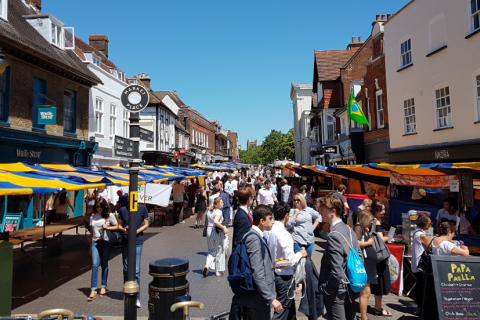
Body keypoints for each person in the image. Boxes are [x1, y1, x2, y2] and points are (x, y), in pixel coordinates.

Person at [233, 205, 283, 319]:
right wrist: (271, 298)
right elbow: (257, 272)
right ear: (262, 221)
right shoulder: (254, 238)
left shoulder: (254, 235)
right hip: (257, 301)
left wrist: (272, 265)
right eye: (270, 218)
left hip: (257, 300)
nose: (273, 222)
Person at [317, 195, 362, 320]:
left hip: (338, 290)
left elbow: (336, 270)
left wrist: (327, 289)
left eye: (322, 209)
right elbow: (359, 257)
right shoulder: (349, 229)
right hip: (350, 285)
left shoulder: (334, 235)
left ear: (333, 211)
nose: (319, 212)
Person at [267, 201, 308, 320]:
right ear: (286, 215)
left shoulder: (270, 231)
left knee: (289, 311)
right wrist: (300, 254)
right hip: (284, 276)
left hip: (274, 273)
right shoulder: (285, 234)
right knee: (281, 311)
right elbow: (288, 261)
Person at [229, 187, 255, 320]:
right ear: (249, 199)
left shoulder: (242, 213)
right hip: (241, 259)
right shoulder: (242, 216)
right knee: (240, 295)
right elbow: (240, 240)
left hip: (240, 257)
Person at [118, 200, 149, 308]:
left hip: (138, 241)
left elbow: (146, 224)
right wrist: (124, 229)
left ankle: (137, 297)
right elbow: (119, 226)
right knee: (126, 268)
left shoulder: (142, 209)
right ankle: (126, 292)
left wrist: (136, 231)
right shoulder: (123, 210)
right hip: (126, 241)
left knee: (136, 270)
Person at [88, 199, 118, 301]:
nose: (99, 209)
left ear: (104, 207)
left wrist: (107, 227)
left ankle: (103, 286)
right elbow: (92, 232)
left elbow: (117, 226)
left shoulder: (109, 215)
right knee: (95, 265)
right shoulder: (93, 216)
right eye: (97, 207)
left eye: (100, 207)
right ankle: (93, 288)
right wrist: (90, 245)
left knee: (104, 264)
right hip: (95, 242)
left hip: (105, 242)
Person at [370, 200, 392, 317]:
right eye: (381, 210)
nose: (383, 212)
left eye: (384, 209)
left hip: (371, 255)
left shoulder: (371, 220)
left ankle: (377, 307)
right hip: (379, 256)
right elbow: (380, 239)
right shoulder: (377, 222)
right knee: (379, 282)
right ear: (375, 210)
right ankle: (378, 308)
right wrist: (390, 237)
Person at [354, 211, 377, 320]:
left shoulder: (364, 229)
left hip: (368, 264)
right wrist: (369, 243)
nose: (372, 222)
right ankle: (364, 318)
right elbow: (356, 243)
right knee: (365, 292)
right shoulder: (358, 228)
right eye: (370, 220)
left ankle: (364, 317)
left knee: (367, 292)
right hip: (364, 263)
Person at [411, 214, 432, 316]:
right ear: (424, 224)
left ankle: (419, 308)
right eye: (429, 223)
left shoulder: (416, 232)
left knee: (420, 285)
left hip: (417, 263)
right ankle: (421, 308)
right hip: (421, 264)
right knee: (422, 286)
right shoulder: (422, 235)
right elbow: (430, 247)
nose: (430, 225)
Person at [203, 197, 228, 277]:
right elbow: (216, 221)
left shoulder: (208, 211)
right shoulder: (218, 212)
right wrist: (224, 228)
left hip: (209, 231)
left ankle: (207, 265)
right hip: (217, 231)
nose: (223, 204)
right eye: (221, 202)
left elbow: (206, 223)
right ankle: (218, 271)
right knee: (220, 250)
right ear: (217, 204)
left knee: (211, 251)